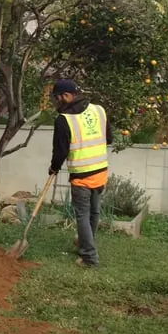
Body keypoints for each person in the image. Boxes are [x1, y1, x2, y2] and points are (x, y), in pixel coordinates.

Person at [48, 78, 112, 268]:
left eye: (57, 98)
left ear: (66, 96)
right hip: (101, 171)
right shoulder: (99, 110)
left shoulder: (63, 120)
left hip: (82, 175)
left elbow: (60, 151)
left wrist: (54, 167)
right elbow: (108, 138)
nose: (56, 102)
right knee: (93, 213)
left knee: (82, 216)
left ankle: (89, 257)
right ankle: (86, 244)